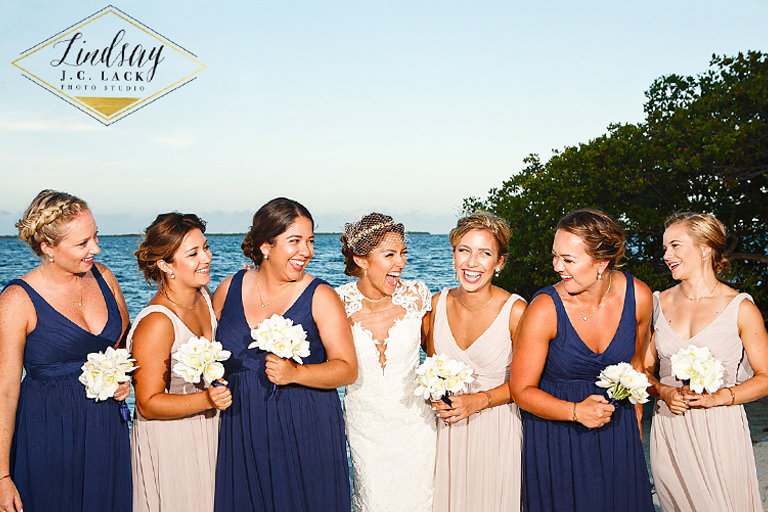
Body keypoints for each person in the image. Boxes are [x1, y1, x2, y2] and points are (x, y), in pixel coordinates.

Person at [213, 197, 357, 512]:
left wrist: (297, 373)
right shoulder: (227, 288)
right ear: (266, 246)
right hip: (243, 426)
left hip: (304, 425)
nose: (306, 251)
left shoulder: (321, 296)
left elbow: (347, 369)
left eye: (310, 241)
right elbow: (208, 355)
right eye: (295, 241)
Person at [509, 208, 655, 512]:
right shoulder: (544, 308)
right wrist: (575, 411)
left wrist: (635, 420)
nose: (557, 267)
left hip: (617, 431)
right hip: (557, 436)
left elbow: (636, 366)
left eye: (568, 260)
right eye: (555, 256)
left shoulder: (639, 296)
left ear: (601, 263)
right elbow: (520, 391)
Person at [0, 190, 132, 512]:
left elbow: (123, 343)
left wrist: (123, 378)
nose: (96, 249)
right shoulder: (17, 300)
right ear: (48, 248)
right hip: (48, 434)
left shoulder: (104, 276)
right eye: (82, 244)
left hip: (105, 429)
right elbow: (4, 391)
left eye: (95, 236)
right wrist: (2, 476)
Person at [642, 212, 768, 512]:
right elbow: (643, 369)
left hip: (721, 429)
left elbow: (765, 376)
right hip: (670, 427)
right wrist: (663, 392)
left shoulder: (741, 308)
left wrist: (720, 398)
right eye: (664, 248)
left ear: (705, 247)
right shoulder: (656, 304)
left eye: (675, 245)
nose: (666, 255)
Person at [422, 211, 527, 512]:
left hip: (496, 431)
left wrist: (475, 401)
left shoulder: (516, 311)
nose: (471, 263)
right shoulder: (435, 305)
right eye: (464, 251)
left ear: (500, 262)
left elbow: (526, 385)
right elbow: (431, 372)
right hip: (446, 433)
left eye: (485, 253)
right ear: (454, 255)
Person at [128, 213, 232, 512]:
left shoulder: (202, 295)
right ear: (165, 265)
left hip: (208, 431)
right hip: (172, 443)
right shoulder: (158, 322)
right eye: (193, 253)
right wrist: (207, 399)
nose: (207, 258)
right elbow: (147, 403)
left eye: (206, 247)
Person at [336, 213, 436, 512]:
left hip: (416, 427)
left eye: (403, 253)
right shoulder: (336, 302)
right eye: (390, 254)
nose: (401, 263)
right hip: (366, 429)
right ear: (362, 259)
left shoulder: (417, 296)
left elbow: (435, 358)